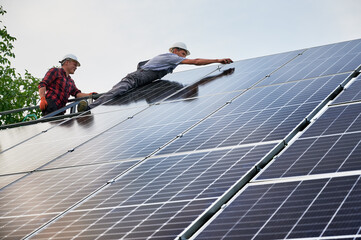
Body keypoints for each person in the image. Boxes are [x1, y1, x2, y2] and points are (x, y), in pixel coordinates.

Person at [77, 42, 233, 111]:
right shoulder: (170, 57)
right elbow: (196, 62)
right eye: (183, 54)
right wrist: (217, 60)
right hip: (136, 78)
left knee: (120, 101)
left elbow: (197, 85)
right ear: (175, 51)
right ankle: (87, 108)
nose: (183, 57)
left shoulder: (170, 63)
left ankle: (95, 107)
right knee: (116, 92)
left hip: (142, 84)